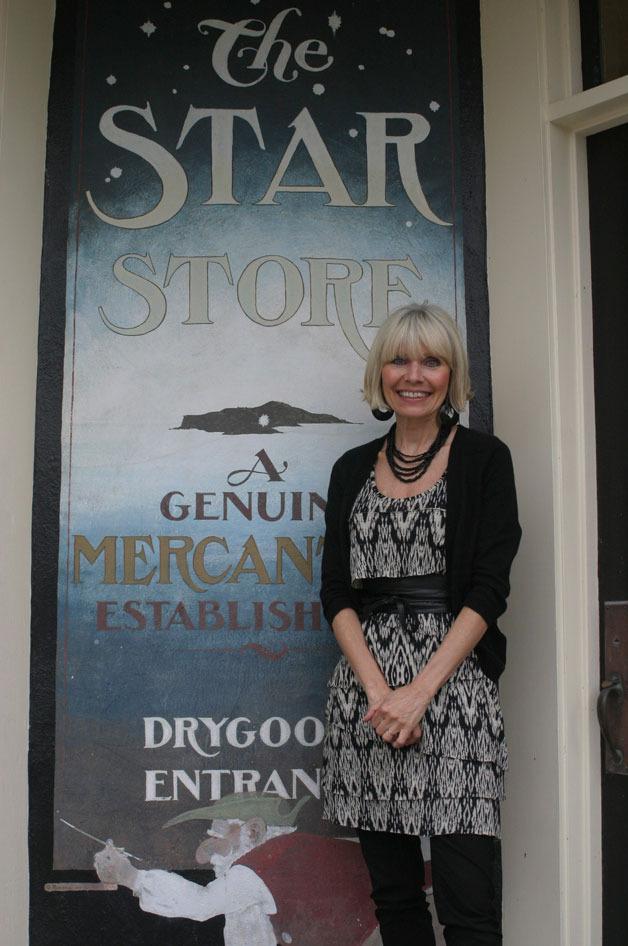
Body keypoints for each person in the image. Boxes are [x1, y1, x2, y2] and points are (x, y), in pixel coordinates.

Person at [320, 303, 521, 946]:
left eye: (431, 360)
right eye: (399, 359)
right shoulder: (352, 468)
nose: (414, 374)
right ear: (380, 373)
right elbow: (336, 593)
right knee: (397, 902)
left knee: (469, 907)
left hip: (453, 692)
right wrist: (381, 694)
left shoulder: (485, 460)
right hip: (367, 696)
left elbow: (490, 589)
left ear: (451, 373)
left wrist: (418, 692)